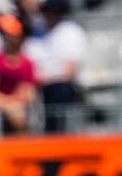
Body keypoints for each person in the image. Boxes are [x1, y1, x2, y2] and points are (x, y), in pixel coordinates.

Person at [26, 0, 87, 133]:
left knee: (59, 90)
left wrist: (44, 79)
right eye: (47, 11)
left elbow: (69, 72)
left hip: (60, 85)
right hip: (35, 83)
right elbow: (28, 61)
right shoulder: (37, 32)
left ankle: (56, 133)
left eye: (55, 11)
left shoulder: (71, 32)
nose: (51, 15)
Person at [0, 14, 37, 134]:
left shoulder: (27, 64)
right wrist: (6, 105)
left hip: (17, 107)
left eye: (10, 35)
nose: (7, 38)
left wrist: (12, 105)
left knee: (19, 115)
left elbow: (28, 93)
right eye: (5, 34)